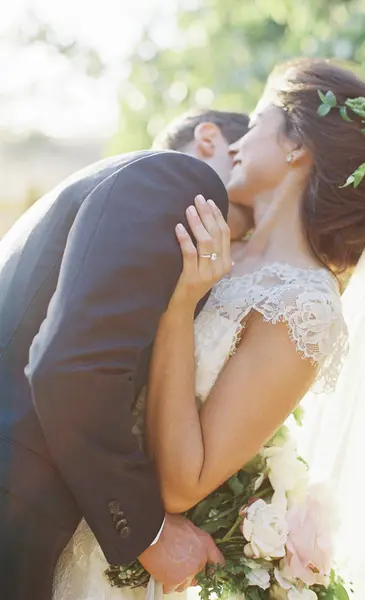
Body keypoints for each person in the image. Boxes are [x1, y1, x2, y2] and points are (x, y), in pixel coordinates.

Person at [53, 59, 365, 600]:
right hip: (70, 501)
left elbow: (184, 483)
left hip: (119, 556)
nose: (237, 143)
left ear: (297, 146)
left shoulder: (305, 305)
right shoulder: (223, 242)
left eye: (256, 123)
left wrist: (180, 307)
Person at [0, 109, 250, 600]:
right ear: (208, 139)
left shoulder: (120, 184)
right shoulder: (178, 180)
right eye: (248, 139)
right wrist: (148, 531)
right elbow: (67, 368)